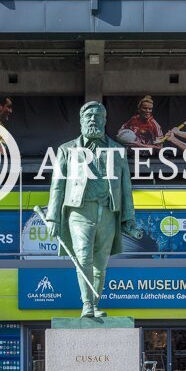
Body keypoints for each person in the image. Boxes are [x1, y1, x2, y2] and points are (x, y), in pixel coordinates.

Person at [44, 102, 142, 318]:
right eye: (88, 115)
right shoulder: (66, 150)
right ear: (80, 120)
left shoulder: (117, 151)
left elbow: (126, 188)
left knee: (101, 263)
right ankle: (86, 304)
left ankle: (95, 304)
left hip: (107, 211)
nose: (93, 119)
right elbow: (57, 185)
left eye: (98, 116)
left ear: (105, 121)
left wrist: (128, 219)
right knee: (83, 257)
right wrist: (52, 217)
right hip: (80, 211)